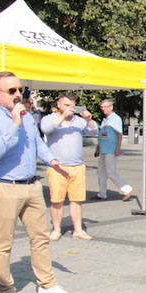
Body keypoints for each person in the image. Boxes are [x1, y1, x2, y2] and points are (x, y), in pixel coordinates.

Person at [0, 71, 76, 293]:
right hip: (5, 186)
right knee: (3, 243)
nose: (18, 94)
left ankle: (47, 285)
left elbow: (38, 144)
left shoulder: (27, 116)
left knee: (40, 238)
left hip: (31, 186)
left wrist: (53, 162)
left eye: (19, 89)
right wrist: (13, 124)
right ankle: (5, 292)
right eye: (11, 91)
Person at [40, 92, 98, 240]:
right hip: (57, 167)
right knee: (57, 200)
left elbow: (93, 131)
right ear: (59, 105)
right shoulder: (50, 119)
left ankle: (78, 229)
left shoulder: (78, 121)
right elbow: (45, 129)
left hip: (77, 166)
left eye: (72, 106)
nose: (69, 109)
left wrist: (89, 119)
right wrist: (62, 116)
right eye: (66, 105)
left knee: (77, 200)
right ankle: (56, 229)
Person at [92, 99, 133, 201]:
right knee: (101, 172)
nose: (103, 109)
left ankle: (127, 189)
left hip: (111, 149)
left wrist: (118, 149)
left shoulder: (115, 119)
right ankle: (102, 193)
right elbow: (102, 136)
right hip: (103, 149)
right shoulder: (105, 120)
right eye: (102, 107)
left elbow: (119, 134)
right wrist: (98, 148)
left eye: (106, 107)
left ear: (111, 107)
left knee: (110, 172)